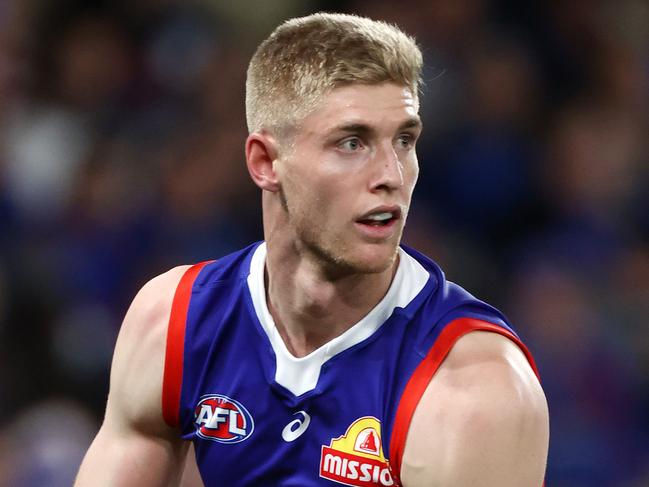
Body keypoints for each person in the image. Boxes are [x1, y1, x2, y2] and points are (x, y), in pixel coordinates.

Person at [75, 12, 548, 487]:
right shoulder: (174, 322)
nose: (392, 175)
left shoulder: (474, 389)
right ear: (265, 162)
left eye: (404, 140)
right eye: (352, 142)